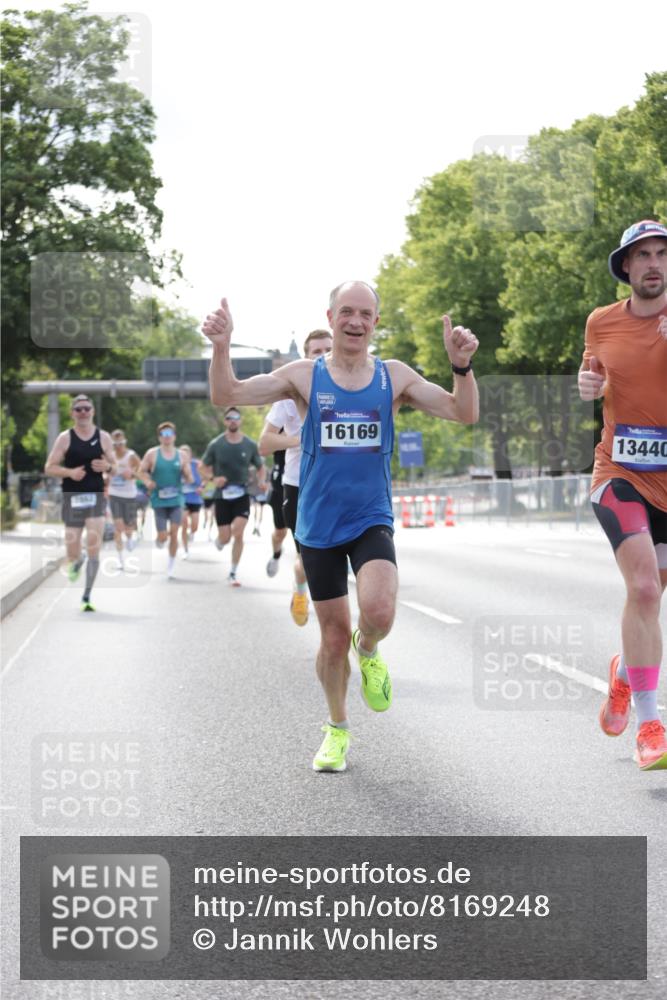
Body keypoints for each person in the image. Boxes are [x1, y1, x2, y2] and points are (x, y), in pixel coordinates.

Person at [203, 281, 479, 771]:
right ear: (330, 318)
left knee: (379, 612)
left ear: (375, 322)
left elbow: (464, 412)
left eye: (365, 314)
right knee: (332, 638)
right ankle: (337, 728)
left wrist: (461, 367)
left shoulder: (394, 377)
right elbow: (227, 393)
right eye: (347, 312)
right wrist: (221, 347)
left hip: (370, 516)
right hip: (317, 524)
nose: (356, 321)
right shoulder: (304, 377)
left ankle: (367, 647)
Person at [579, 219, 667, 771]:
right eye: (644, 255)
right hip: (620, 472)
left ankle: (624, 672)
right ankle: (650, 725)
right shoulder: (601, 321)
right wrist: (588, 386)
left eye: (662, 254)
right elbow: (592, 375)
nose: (654, 263)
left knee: (652, 594)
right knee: (644, 587)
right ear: (627, 266)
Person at [259, 328, 333, 626]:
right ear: (306, 358)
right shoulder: (289, 397)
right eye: (317, 352)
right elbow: (264, 443)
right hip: (301, 487)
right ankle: (301, 590)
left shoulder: (354, 391)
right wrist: (301, 440)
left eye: (328, 350)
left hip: (339, 486)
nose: (324, 356)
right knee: (308, 558)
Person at [44, 394, 116, 611]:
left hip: (95, 496)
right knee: (72, 552)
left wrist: (108, 467)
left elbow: (116, 467)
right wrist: (69, 472)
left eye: (86, 408)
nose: (83, 412)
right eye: (79, 409)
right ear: (72, 414)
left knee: (94, 545)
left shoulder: (103, 437)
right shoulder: (65, 438)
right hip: (72, 497)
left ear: (92, 411)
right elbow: (49, 467)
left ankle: (86, 596)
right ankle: (78, 559)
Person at [200, 408, 267, 587]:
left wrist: (262, 481)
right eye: (229, 418)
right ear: (225, 421)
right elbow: (202, 467)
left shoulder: (249, 444)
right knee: (225, 537)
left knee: (238, 532)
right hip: (222, 495)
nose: (233, 420)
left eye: (236, 418)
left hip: (242, 494)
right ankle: (220, 540)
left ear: (240, 420)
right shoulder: (216, 444)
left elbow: (260, 467)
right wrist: (213, 479)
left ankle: (233, 572)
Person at [139, 422, 193, 579]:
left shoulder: (182, 455)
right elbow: (141, 471)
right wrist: (148, 481)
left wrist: (188, 476)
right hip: (159, 500)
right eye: (164, 434)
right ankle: (160, 537)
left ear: (174, 436)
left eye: (170, 433)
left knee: (174, 533)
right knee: (163, 536)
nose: (167, 436)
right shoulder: (152, 454)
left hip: (176, 499)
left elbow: (189, 476)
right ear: (159, 437)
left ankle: (170, 565)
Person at [108, 429, 143, 569]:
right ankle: (120, 559)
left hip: (129, 495)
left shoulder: (131, 456)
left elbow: (142, 471)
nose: (118, 446)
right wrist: (105, 477)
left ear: (125, 442)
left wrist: (132, 475)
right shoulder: (109, 456)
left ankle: (130, 538)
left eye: (120, 443)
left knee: (128, 527)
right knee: (118, 527)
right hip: (114, 494)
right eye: (115, 444)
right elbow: (103, 471)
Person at [179, 444, 204, 558]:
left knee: (195, 526)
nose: (184, 456)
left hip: (195, 498)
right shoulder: (176, 466)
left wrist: (201, 487)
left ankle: (191, 533)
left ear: (190, 454)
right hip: (181, 498)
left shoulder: (197, 465)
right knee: (184, 523)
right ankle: (185, 550)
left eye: (186, 453)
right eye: (181, 454)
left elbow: (206, 477)